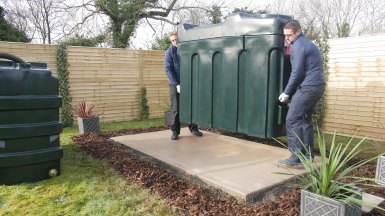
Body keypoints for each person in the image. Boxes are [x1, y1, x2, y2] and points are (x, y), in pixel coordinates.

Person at [278, 20, 326, 165]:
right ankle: (307, 155)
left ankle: (296, 156)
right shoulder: (306, 43)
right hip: (317, 86)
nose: (287, 38)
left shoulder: (298, 45)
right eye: (285, 36)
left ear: (298, 32)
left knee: (292, 119)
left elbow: (297, 72)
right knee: (304, 120)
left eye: (289, 35)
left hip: (309, 87)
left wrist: (286, 92)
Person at [164, 31, 203, 140]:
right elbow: (168, 69)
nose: (175, 42)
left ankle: (194, 128)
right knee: (175, 108)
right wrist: (176, 84)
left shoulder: (187, 50)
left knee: (192, 106)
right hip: (174, 83)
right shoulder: (169, 53)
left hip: (189, 82)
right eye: (173, 40)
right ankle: (175, 131)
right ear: (171, 41)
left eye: (176, 39)